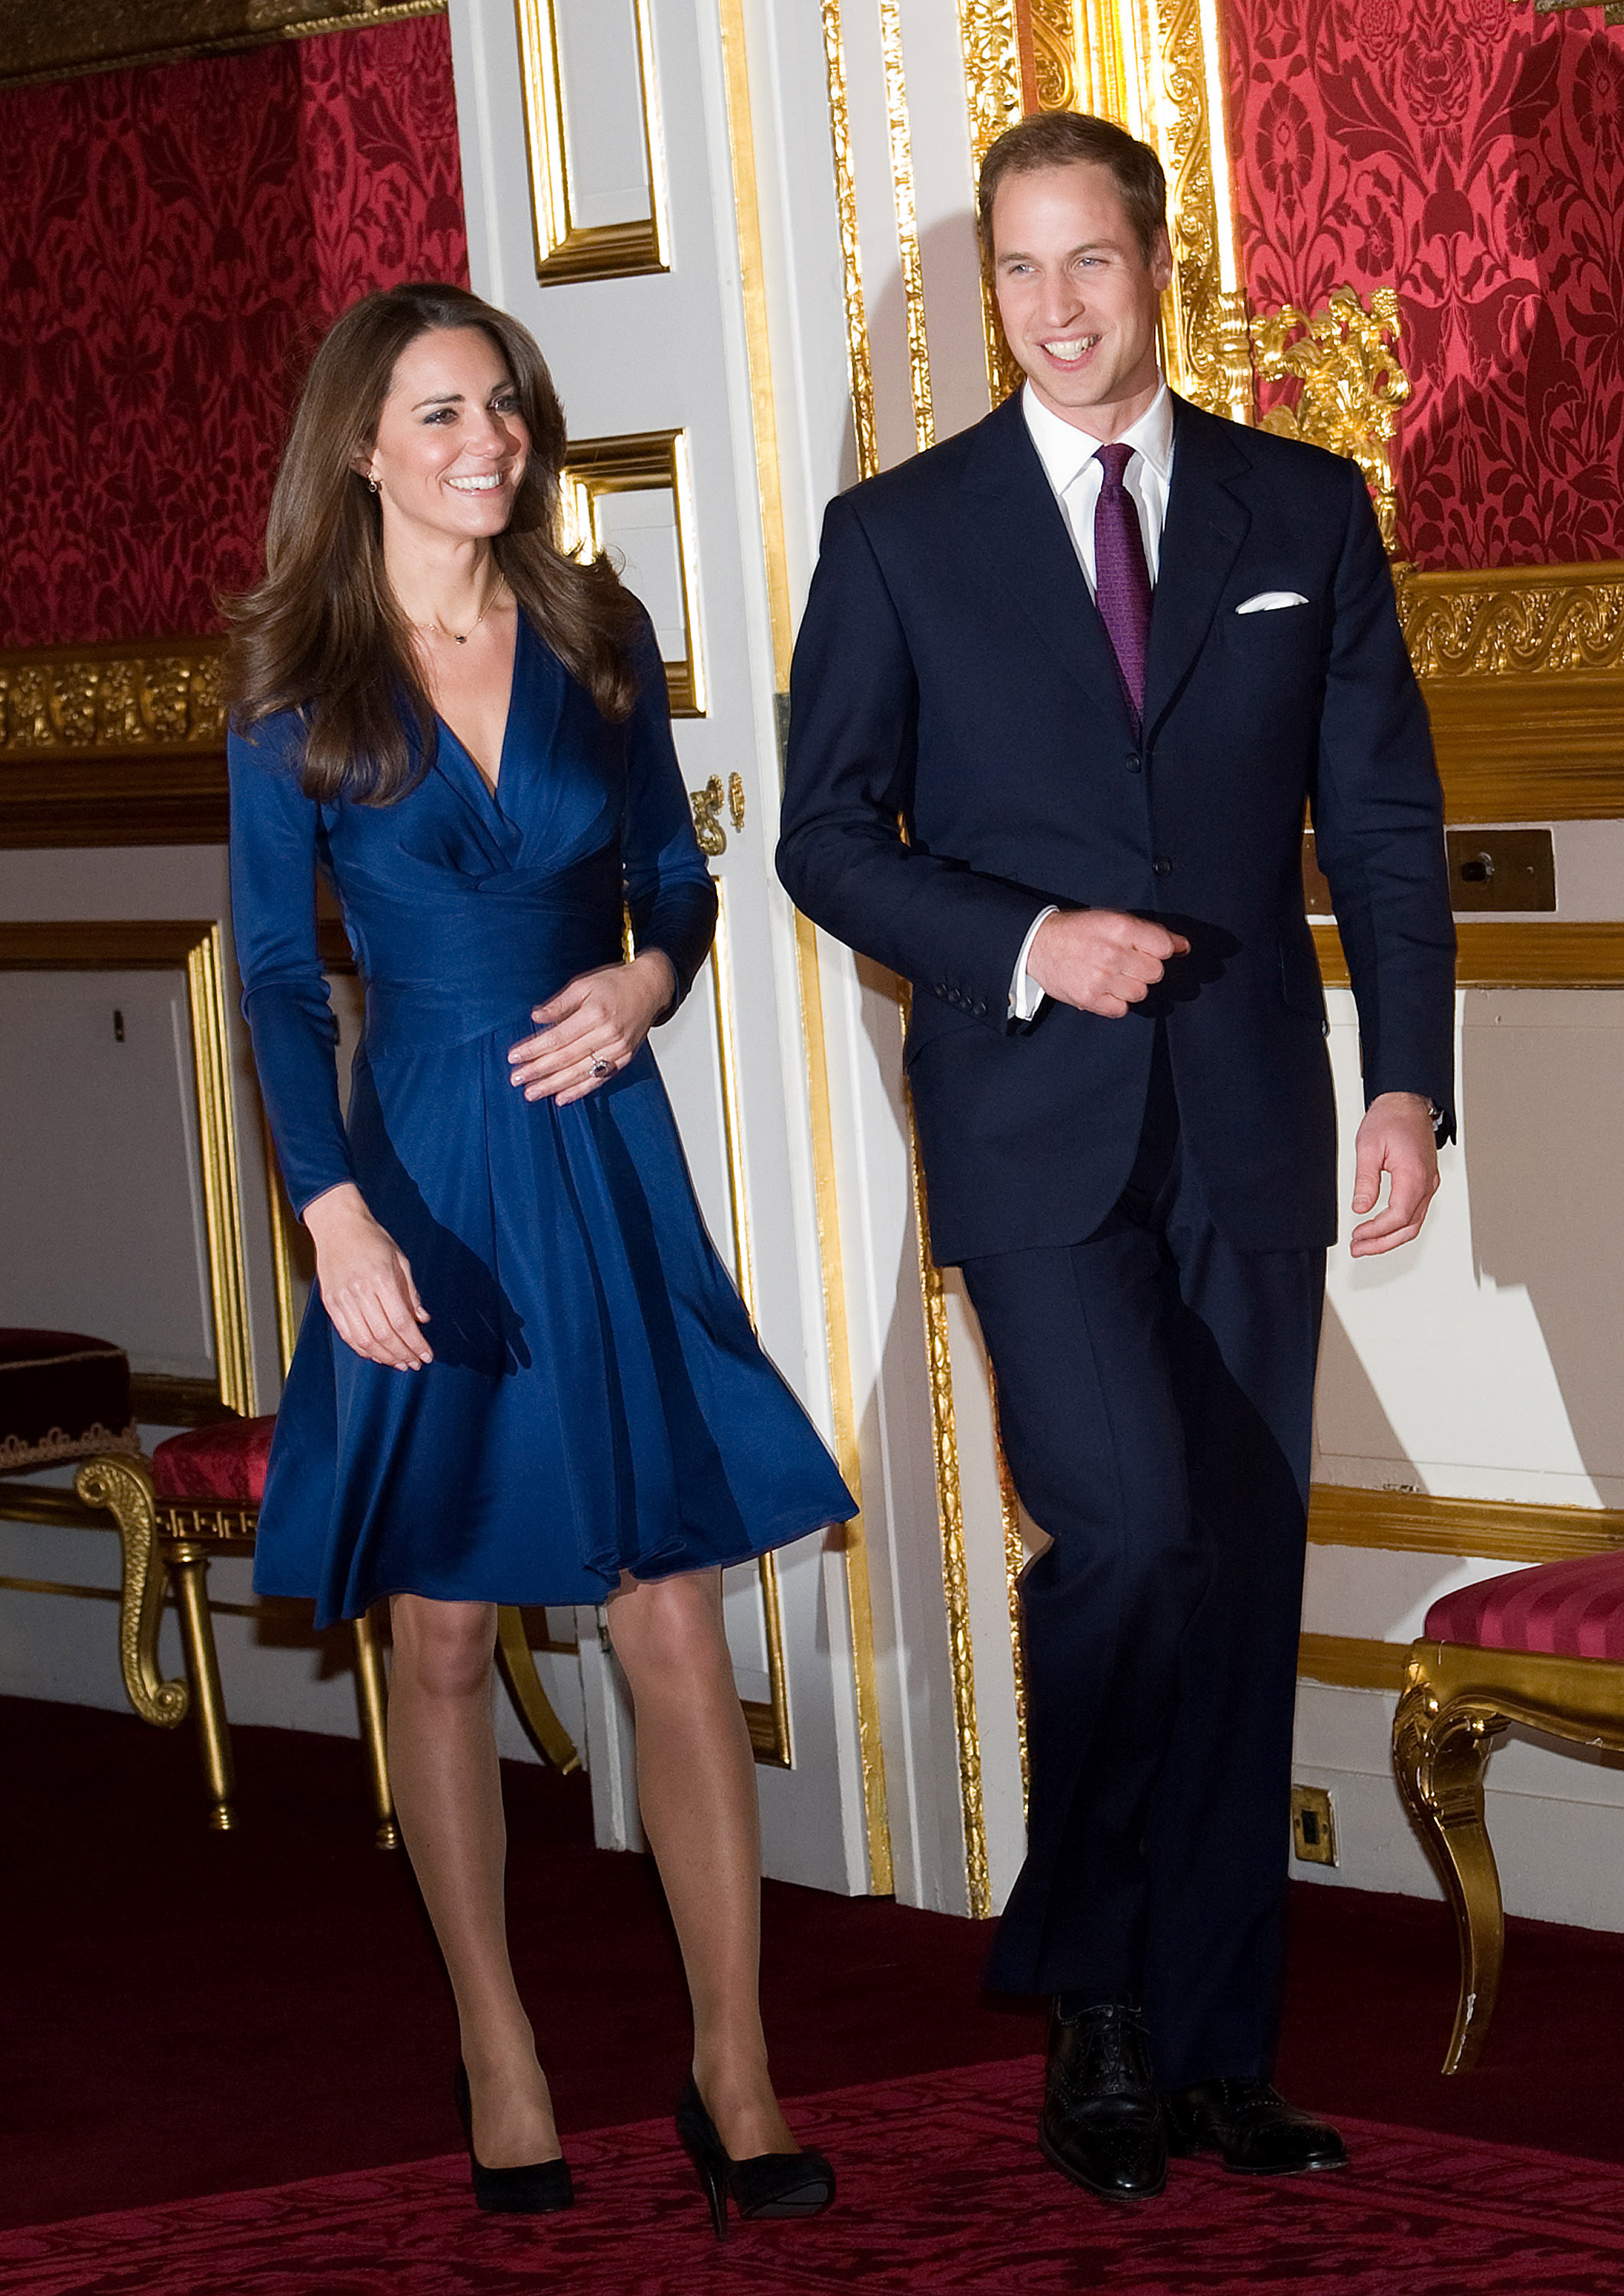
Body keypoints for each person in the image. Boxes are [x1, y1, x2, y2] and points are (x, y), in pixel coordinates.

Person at [778, 113, 1455, 2203]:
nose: (1056, 307)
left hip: (1249, 1123)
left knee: (1240, 1584)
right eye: (1018, 270)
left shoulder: (1300, 510)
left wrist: (1410, 1085)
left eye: (1091, 263)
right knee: (1134, 1539)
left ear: (1158, 269)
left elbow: (1390, 831)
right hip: (1030, 1135)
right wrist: (1022, 944)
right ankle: (1093, 1991)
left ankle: (1214, 2051)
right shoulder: (899, 537)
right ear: (987, 287)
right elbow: (825, 840)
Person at [227, 282, 850, 2234]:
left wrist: (646, 977)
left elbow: (672, 866)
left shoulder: (592, 630)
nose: (483, 439)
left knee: (664, 1603)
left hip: (595, 1162)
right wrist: (329, 1217)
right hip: (410, 1175)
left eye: (500, 404)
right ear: (359, 444)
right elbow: (264, 975)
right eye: (437, 412)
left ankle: (729, 2060)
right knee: (430, 1626)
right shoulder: (290, 679)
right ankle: (496, 2043)